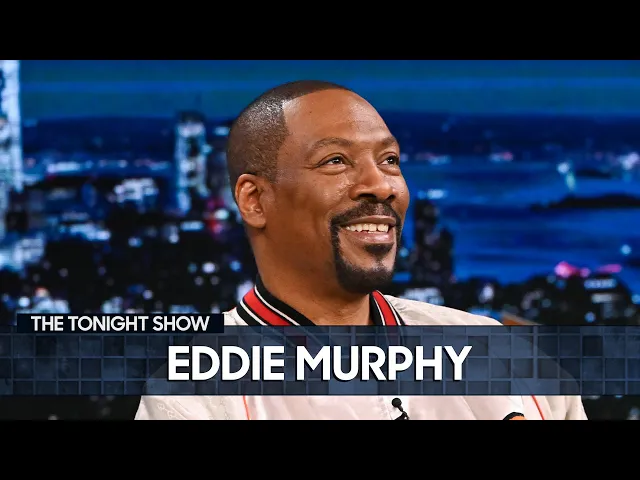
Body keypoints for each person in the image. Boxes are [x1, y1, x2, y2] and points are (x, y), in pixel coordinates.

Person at [136, 81, 587, 420]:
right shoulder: (196, 396)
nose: (381, 185)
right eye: (336, 161)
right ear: (255, 201)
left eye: (389, 160)